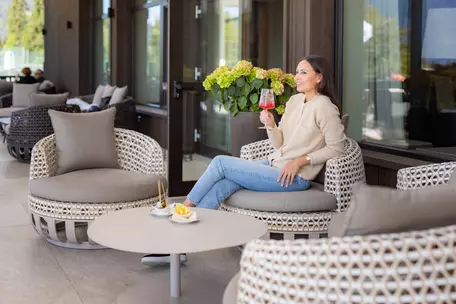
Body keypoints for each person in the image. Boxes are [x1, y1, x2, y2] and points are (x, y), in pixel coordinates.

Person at [141, 54, 347, 266]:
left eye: (303, 72)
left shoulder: (324, 106)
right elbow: (280, 144)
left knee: (221, 163)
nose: (297, 77)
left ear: (319, 78)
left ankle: (182, 210)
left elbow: (337, 147)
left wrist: (301, 161)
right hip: (273, 165)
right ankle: (179, 245)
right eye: (297, 71)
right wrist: (271, 125)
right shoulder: (294, 101)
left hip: (294, 177)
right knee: (223, 185)